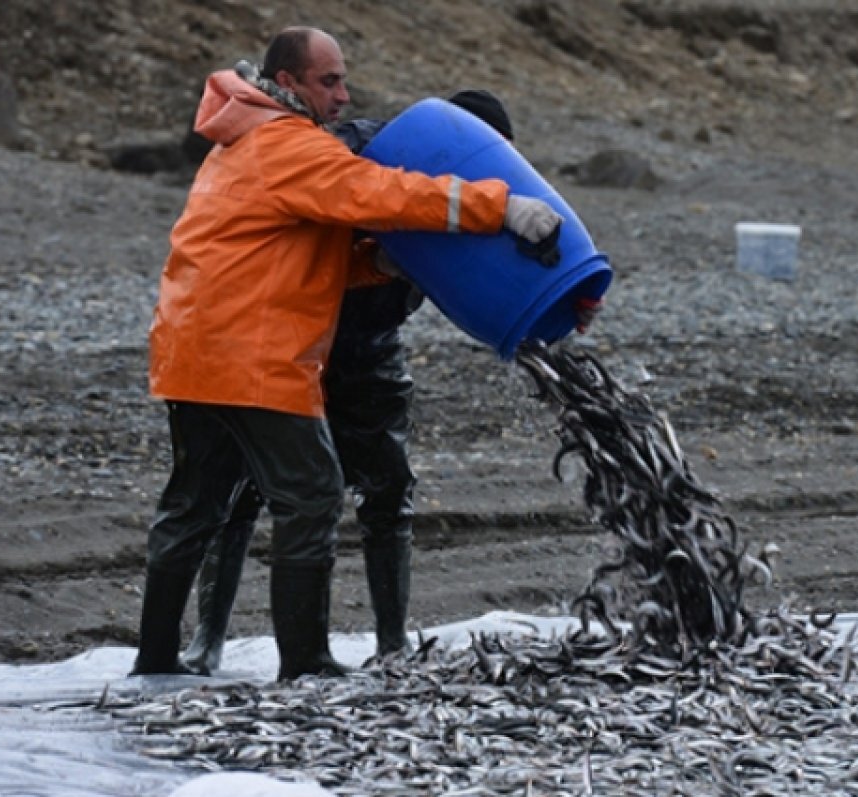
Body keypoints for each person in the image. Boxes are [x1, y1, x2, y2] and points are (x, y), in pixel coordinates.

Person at [132, 26, 564, 681]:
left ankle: (156, 659)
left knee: (193, 503)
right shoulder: (290, 144)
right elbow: (383, 192)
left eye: (342, 79)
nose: (343, 93)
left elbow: (290, 254)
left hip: (192, 348)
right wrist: (501, 208)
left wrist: (376, 262)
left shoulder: (242, 141)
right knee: (311, 494)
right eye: (327, 81)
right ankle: (305, 661)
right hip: (248, 355)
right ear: (288, 83)